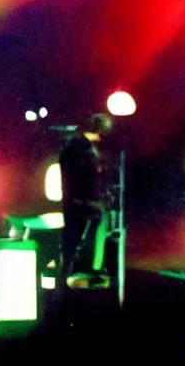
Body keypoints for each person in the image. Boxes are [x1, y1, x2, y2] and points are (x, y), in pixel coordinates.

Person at [59, 113, 113, 290]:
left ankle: (79, 265)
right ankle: (91, 266)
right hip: (80, 199)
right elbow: (91, 175)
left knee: (74, 234)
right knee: (101, 216)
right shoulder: (84, 149)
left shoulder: (73, 144)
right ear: (99, 131)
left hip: (71, 198)